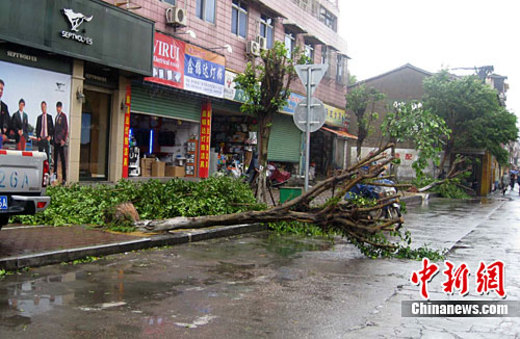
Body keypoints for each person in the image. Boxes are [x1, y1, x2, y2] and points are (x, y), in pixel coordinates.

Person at [53, 101, 68, 184]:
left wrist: (63, 140)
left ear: (61, 108)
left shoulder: (63, 116)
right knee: (55, 159)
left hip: (61, 141)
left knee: (62, 160)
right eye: (57, 107)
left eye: (59, 107)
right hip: (55, 140)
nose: (58, 109)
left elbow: (66, 129)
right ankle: (55, 176)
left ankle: (64, 178)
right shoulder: (56, 117)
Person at [0, 79, 10, 148]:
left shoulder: (4, 107)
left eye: (2, 89)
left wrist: (5, 135)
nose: (0, 91)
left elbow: (8, 122)